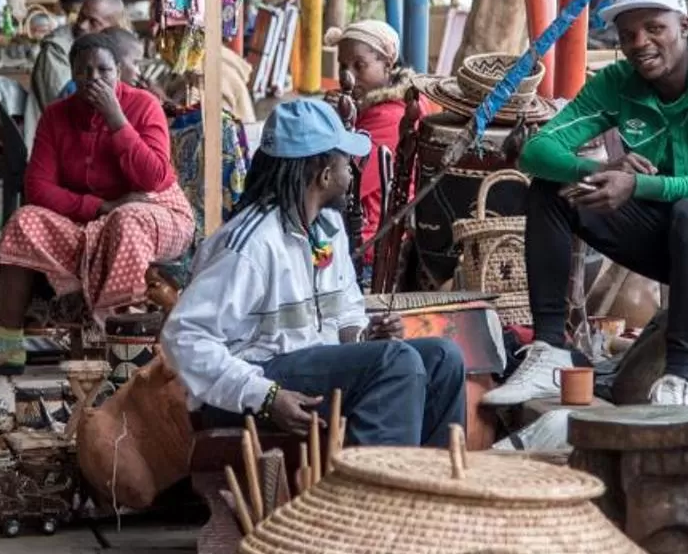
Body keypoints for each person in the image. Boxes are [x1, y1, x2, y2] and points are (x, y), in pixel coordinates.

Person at [511, 0, 688, 408]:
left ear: (685, 27)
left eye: (656, 28)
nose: (641, 42)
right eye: (628, 33)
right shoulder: (619, 82)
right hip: (680, 241)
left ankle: (677, 378)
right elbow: (536, 150)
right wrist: (597, 168)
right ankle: (548, 350)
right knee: (553, 189)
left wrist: (639, 184)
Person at [163, 99, 467, 448]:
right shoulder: (250, 245)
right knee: (396, 363)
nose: (352, 173)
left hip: (307, 369)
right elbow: (183, 337)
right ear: (323, 174)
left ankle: (432, 491)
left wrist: (364, 337)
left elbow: (346, 313)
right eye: (346, 164)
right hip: (249, 389)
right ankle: (373, 494)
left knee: (443, 358)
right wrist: (266, 395)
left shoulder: (328, 228)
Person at [0, 30, 196, 375]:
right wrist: (98, 207)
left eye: (104, 70)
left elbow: (154, 177)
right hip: (92, 218)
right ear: (72, 74)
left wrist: (116, 119)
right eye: (84, 71)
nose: (94, 79)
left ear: (119, 72)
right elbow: (37, 187)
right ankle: (6, 345)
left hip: (156, 212)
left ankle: (122, 345)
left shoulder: (143, 106)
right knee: (24, 220)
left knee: (128, 220)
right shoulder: (57, 116)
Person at [328, 18, 417, 276]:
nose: (348, 76)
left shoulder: (390, 117)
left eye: (360, 65)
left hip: (368, 249)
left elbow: (340, 182)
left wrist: (332, 124)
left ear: (387, 65)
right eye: (343, 66)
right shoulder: (367, 110)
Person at [31, 0, 129, 110]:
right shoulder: (57, 49)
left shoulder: (121, 45)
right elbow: (64, 108)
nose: (82, 25)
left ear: (113, 28)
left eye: (93, 22)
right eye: (81, 17)